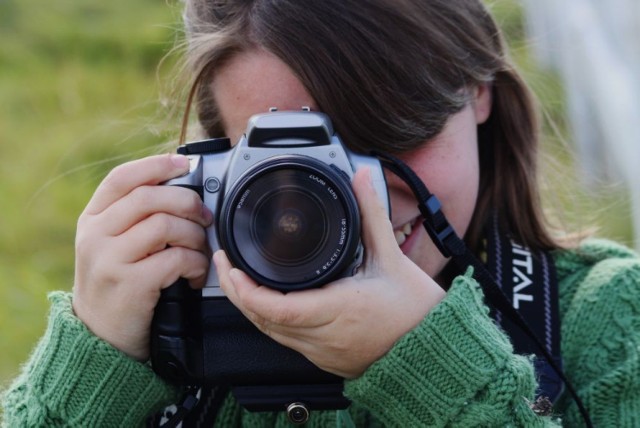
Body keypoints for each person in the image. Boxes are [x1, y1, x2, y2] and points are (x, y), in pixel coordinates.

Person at [3, 0, 639, 426]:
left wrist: (432, 366)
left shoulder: (607, 323)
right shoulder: (167, 329)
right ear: (220, 162)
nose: (355, 198)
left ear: (477, 92)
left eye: (389, 136)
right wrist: (90, 368)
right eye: (293, 166)